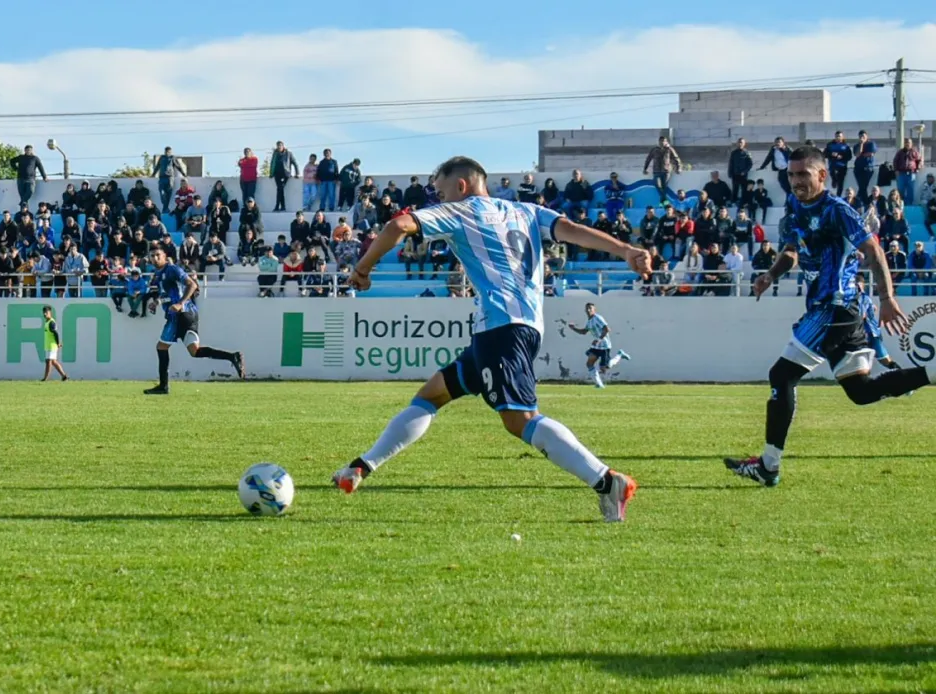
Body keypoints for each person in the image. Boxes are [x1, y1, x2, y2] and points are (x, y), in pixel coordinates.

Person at [334, 156, 651, 523]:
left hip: (501, 328)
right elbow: (574, 231)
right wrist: (625, 250)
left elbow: (397, 224)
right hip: (519, 326)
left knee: (520, 419)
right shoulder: (528, 211)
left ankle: (606, 481)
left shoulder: (461, 212)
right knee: (432, 394)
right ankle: (360, 467)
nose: (438, 200)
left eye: (440, 192)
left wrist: (362, 268)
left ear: (462, 186)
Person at [724, 146, 932, 487]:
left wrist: (887, 298)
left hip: (836, 306)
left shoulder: (838, 210)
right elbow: (791, 251)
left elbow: (873, 250)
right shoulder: (793, 208)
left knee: (781, 375)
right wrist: (770, 275)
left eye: (803, 174)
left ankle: (768, 465)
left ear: (822, 175)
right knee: (861, 392)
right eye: (791, 175)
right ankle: (933, 372)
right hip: (830, 309)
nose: (795, 181)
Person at [143, 247, 245, 395]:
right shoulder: (159, 274)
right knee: (195, 351)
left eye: (158, 255)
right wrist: (156, 302)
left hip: (180, 315)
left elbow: (192, 284)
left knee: (161, 347)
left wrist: (180, 303)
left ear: (165, 256)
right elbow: (166, 294)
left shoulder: (172, 269)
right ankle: (232, 356)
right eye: (152, 255)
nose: (155, 258)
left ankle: (163, 386)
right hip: (188, 314)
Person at [567, 303, 631, 388]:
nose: (588, 310)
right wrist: (573, 328)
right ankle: (599, 384)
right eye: (587, 308)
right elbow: (584, 332)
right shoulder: (589, 321)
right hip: (596, 347)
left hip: (604, 346)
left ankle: (620, 355)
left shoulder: (598, 318)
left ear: (594, 310)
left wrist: (599, 339)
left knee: (604, 368)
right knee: (589, 363)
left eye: (590, 308)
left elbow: (607, 329)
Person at [151, 146, 186, 213]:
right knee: (162, 192)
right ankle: (166, 208)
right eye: (166, 151)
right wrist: (153, 174)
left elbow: (178, 166)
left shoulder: (172, 157)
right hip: (162, 177)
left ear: (170, 152)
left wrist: (183, 174)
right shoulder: (162, 157)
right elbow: (157, 166)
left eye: (169, 151)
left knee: (168, 194)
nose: (167, 153)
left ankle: (165, 209)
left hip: (170, 177)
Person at [40, 305, 69, 382]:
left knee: (48, 361)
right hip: (48, 345)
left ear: (50, 312)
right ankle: (64, 376)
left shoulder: (51, 322)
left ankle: (45, 378)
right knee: (53, 362)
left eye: (46, 312)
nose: (44, 314)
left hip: (52, 345)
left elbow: (56, 333)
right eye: (44, 313)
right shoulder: (47, 322)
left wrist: (58, 343)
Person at [823, 131, 853, 196]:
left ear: (842, 137)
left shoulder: (846, 146)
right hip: (833, 166)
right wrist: (831, 154)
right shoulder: (830, 145)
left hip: (842, 166)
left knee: (840, 183)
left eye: (839, 136)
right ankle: (834, 180)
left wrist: (842, 157)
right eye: (837, 136)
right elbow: (824, 154)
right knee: (833, 174)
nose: (838, 138)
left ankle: (838, 196)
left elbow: (849, 156)